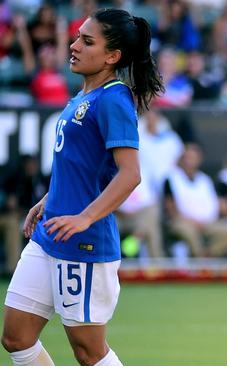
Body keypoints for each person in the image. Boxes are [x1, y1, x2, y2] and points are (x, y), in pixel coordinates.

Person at [2, 8, 163, 366]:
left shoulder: (114, 99)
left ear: (112, 56)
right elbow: (83, 167)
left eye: (87, 41)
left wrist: (85, 218)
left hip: (83, 243)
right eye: (76, 37)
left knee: (88, 352)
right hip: (50, 233)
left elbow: (129, 174)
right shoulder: (83, 96)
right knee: (16, 337)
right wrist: (48, 199)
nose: (74, 46)